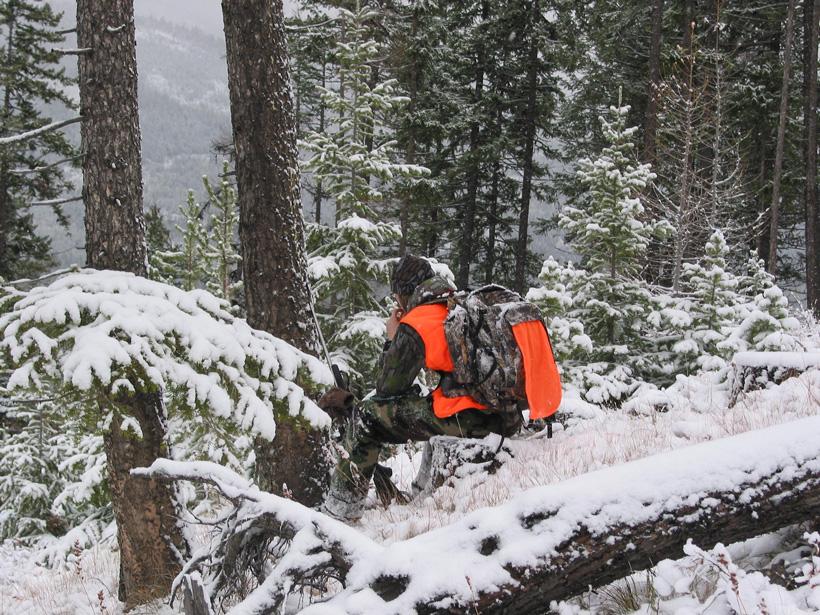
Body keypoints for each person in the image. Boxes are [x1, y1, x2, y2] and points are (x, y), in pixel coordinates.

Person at [319, 254, 522, 522]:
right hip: (506, 417)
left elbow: (387, 389)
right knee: (433, 404)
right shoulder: (457, 305)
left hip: (473, 421)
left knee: (367, 415)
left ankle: (339, 511)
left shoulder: (418, 322)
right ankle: (420, 492)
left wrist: (393, 337)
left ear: (403, 293)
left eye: (396, 296)